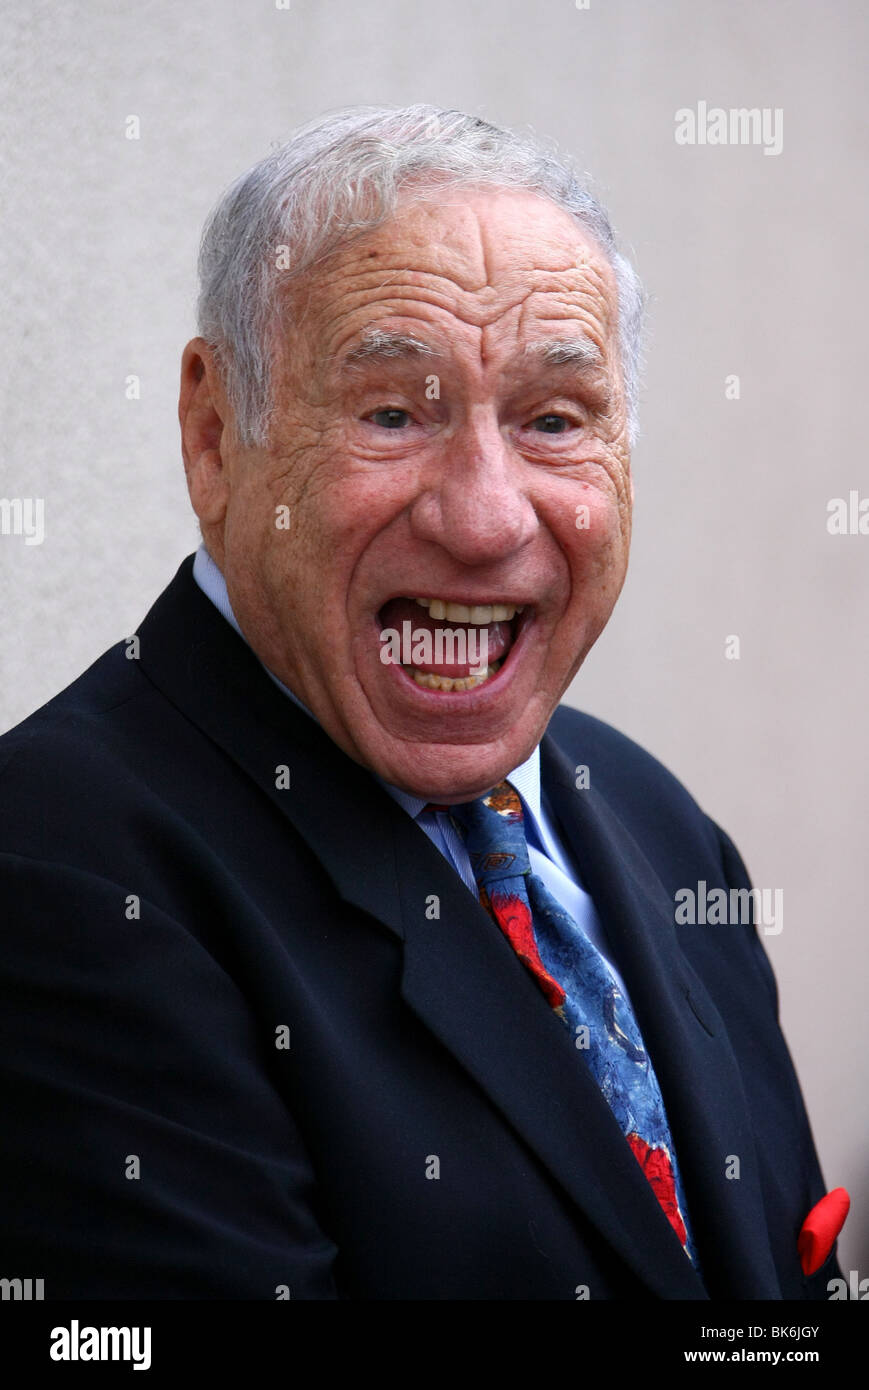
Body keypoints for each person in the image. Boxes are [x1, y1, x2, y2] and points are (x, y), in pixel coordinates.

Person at [0, 105, 847, 1300]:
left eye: (553, 421)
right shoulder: (62, 867)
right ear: (214, 437)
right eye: (393, 413)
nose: (486, 519)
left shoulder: (657, 823)